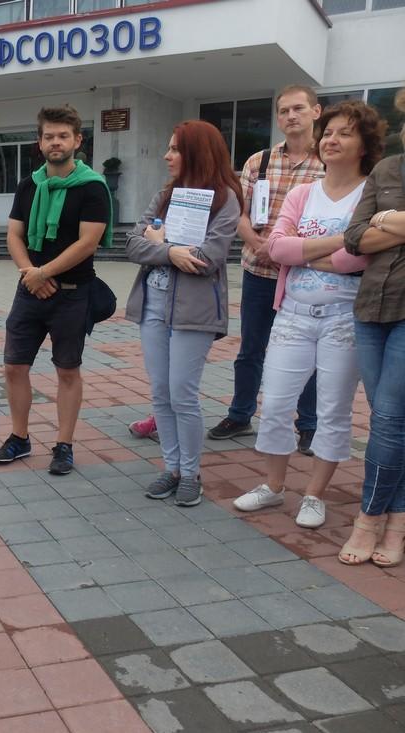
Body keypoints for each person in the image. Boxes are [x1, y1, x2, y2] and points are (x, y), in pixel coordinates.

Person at [232, 101, 380, 529]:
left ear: (364, 144)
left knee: (332, 410)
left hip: (343, 319)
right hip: (294, 313)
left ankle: (314, 494)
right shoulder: (302, 193)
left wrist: (305, 254)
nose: (332, 140)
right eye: (329, 132)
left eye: (344, 133)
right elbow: (276, 249)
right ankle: (274, 487)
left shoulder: (370, 194)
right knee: (276, 401)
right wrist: (338, 242)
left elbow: (360, 260)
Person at [124, 121, 242, 507]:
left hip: (194, 312)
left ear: (196, 152)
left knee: (182, 394)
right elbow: (131, 243)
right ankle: (172, 468)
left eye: (175, 149)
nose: (167, 155)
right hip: (153, 307)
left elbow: (207, 259)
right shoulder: (164, 196)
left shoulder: (225, 200)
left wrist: (165, 245)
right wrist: (172, 252)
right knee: (160, 393)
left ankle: (191, 474)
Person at [0, 105, 111, 475]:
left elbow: (89, 242)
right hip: (30, 289)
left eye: (62, 136)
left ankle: (64, 445)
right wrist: (31, 273)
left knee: (67, 371)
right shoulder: (30, 185)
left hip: (73, 293)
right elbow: (14, 234)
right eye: (48, 136)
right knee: (13, 367)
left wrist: (43, 273)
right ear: (39, 142)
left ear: (77, 140)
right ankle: (20, 438)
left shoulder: (92, 187)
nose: (55, 142)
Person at [208, 85, 325, 455]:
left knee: (308, 352)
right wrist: (258, 244)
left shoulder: (328, 163)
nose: (291, 116)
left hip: (307, 275)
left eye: (299, 109)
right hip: (259, 270)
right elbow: (238, 212)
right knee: (251, 349)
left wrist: (292, 252)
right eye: (284, 110)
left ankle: (307, 425)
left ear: (316, 112)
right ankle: (240, 414)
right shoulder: (259, 161)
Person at [339, 87, 405, 567]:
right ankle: (398, 519)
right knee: (393, 420)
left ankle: (370, 517)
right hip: (372, 308)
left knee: (386, 416)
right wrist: (387, 220)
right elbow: (355, 237)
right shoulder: (387, 170)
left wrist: (391, 219)